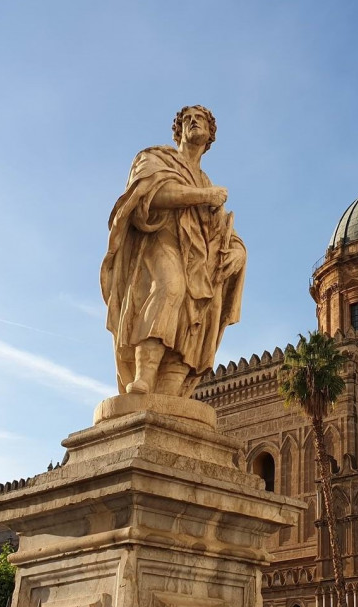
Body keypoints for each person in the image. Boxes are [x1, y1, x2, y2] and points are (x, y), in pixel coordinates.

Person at [101, 105, 246, 398]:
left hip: (199, 258)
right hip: (161, 242)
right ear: (178, 130)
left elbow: (223, 229)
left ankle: (169, 391)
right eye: (187, 119)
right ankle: (144, 375)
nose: (193, 122)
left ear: (210, 136)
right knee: (170, 288)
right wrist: (204, 197)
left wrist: (239, 252)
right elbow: (150, 196)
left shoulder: (205, 181)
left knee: (200, 314)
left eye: (200, 119)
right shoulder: (156, 159)